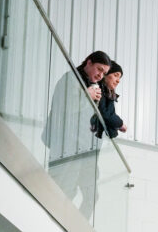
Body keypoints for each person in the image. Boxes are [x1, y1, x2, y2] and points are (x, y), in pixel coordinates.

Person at [43, 50, 111, 219]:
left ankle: (74, 225)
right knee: (63, 189)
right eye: (99, 69)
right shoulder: (70, 79)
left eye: (104, 73)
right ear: (88, 63)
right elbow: (66, 109)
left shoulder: (90, 85)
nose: (100, 75)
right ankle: (52, 221)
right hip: (67, 148)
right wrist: (86, 95)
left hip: (83, 150)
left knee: (87, 194)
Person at [92, 61, 127, 139]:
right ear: (105, 74)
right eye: (116, 75)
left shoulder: (108, 94)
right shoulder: (97, 89)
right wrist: (120, 124)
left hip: (97, 139)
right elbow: (104, 114)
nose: (118, 81)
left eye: (119, 78)